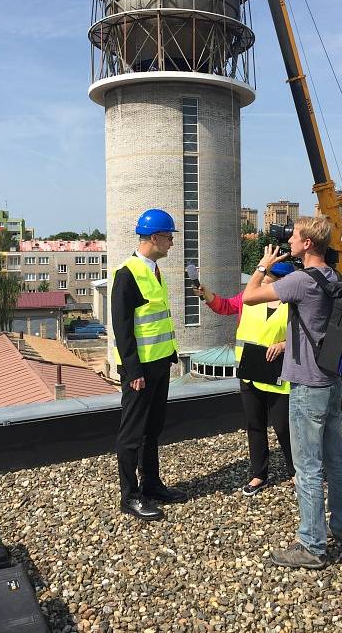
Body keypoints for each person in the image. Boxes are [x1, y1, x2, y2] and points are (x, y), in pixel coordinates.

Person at [242, 216, 342, 569]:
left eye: (293, 236)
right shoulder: (334, 277)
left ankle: (311, 546)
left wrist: (264, 265)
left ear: (307, 244)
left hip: (306, 385)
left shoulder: (300, 282)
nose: (288, 240)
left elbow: (249, 297)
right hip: (331, 381)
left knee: (307, 467)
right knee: (335, 460)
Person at [193, 262, 296, 495]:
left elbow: (306, 335)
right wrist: (206, 294)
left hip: (278, 374)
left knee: (284, 427)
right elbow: (226, 306)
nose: (271, 280)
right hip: (249, 372)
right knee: (255, 425)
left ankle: (296, 472)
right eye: (270, 275)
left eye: (276, 277)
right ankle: (259, 474)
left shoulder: (294, 303)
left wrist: (283, 345)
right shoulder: (249, 296)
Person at [112, 208, 187, 522]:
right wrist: (134, 371)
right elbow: (123, 327)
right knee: (132, 434)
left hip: (158, 364)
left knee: (152, 430)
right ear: (155, 237)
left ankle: (152, 485)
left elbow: (157, 323)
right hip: (139, 371)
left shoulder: (156, 271)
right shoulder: (127, 274)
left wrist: (168, 358)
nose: (172, 243)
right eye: (169, 237)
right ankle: (130, 497)